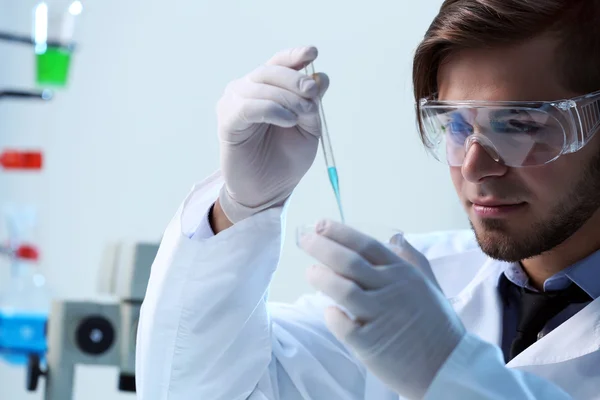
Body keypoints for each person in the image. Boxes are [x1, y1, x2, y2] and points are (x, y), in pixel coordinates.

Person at [135, 0, 600, 398]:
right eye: (456, 125)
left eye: (520, 125)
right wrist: (241, 207)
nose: (474, 167)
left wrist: (447, 369)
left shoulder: (415, 320)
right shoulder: (413, 289)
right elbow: (196, 389)